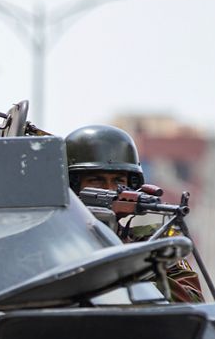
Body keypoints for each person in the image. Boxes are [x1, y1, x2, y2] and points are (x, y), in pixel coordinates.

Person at [65, 124, 204, 303]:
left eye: (118, 182)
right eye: (96, 181)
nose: (110, 190)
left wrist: (133, 267)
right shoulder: (51, 241)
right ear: (72, 186)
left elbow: (191, 302)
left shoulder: (153, 243)